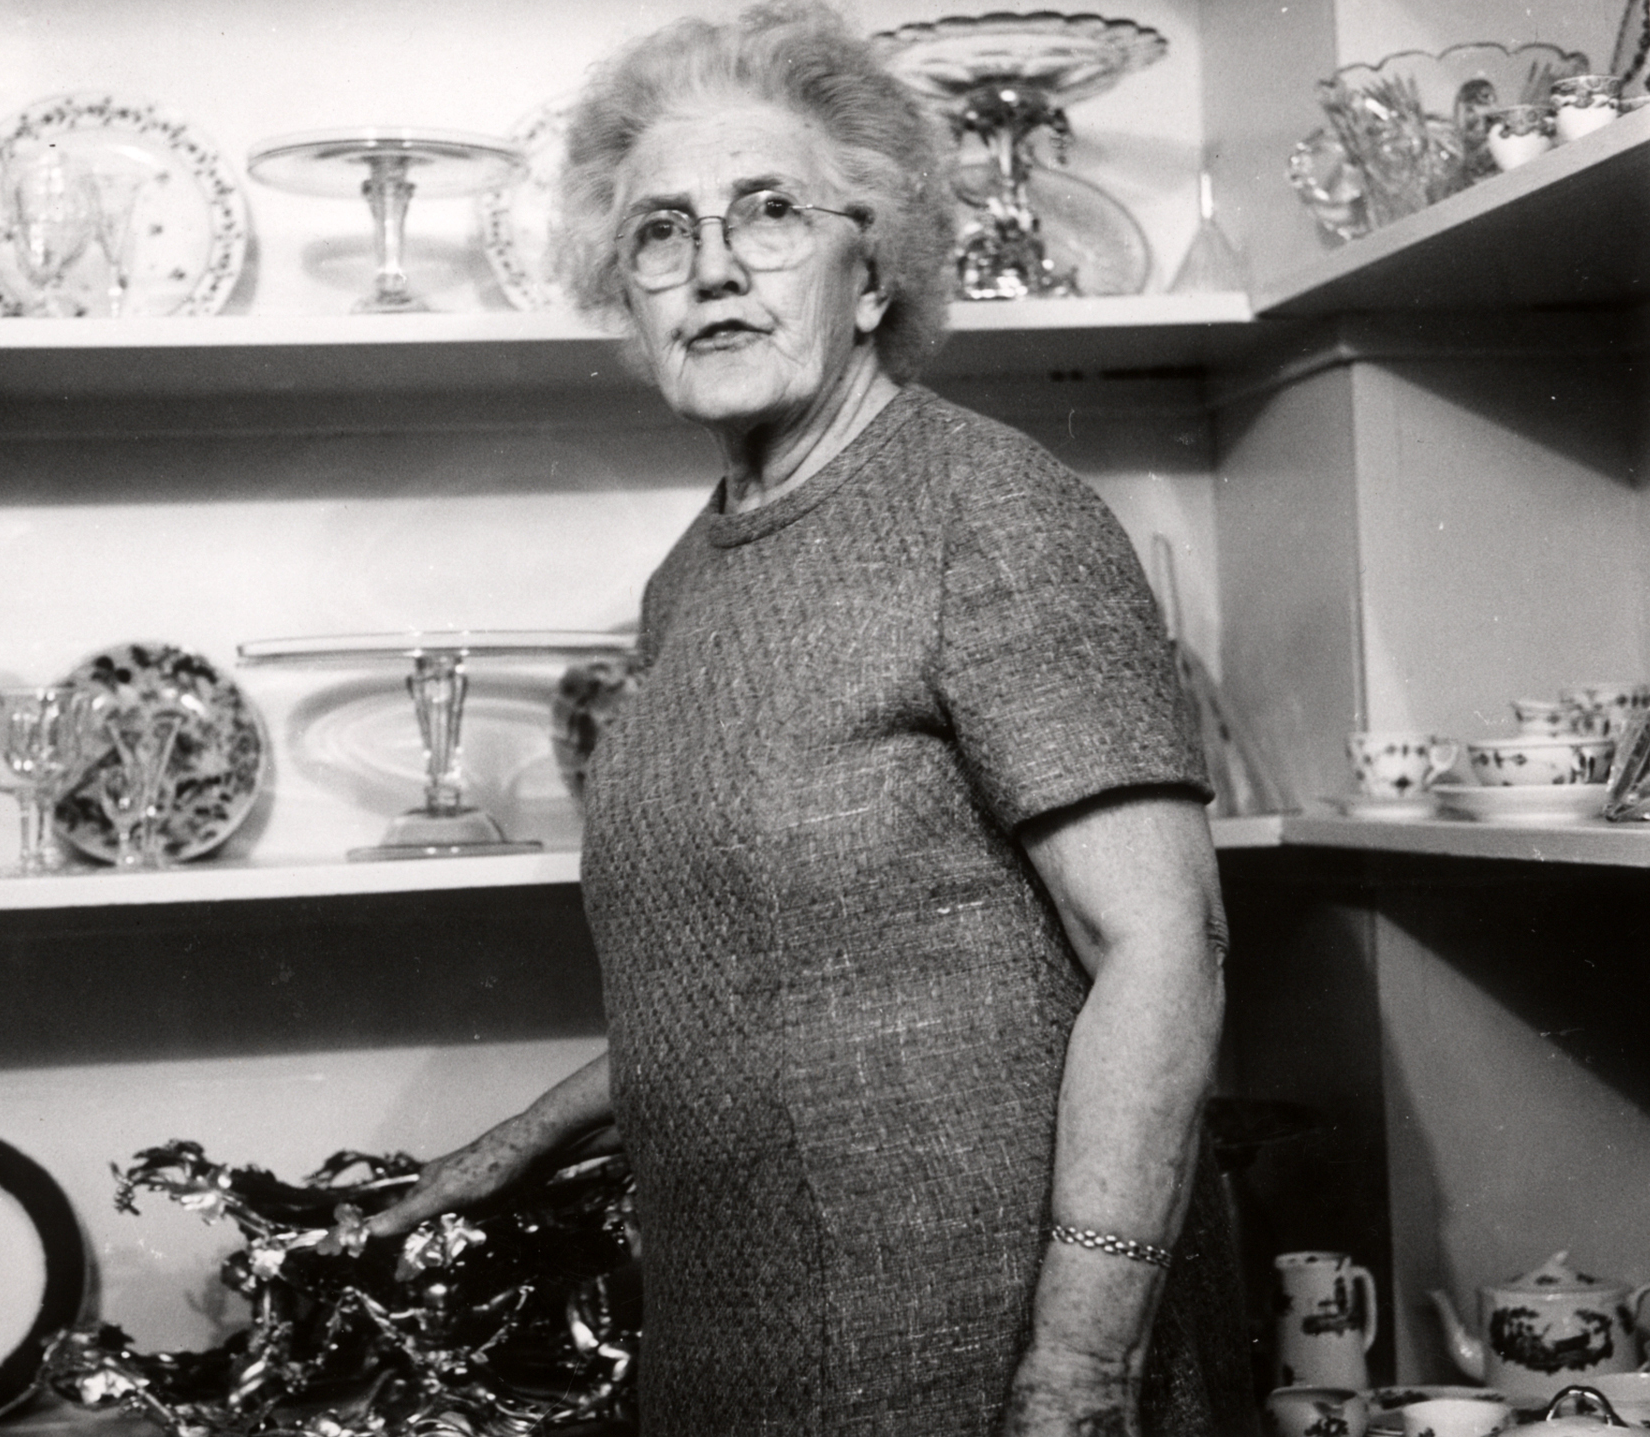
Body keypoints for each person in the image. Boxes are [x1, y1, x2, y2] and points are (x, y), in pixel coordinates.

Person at [367, 5, 1251, 1433]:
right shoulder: (691, 575)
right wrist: (524, 1139)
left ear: (872, 271)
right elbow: (783, 970)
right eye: (661, 232)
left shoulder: (987, 508)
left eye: (768, 214)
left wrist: (1079, 1379)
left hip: (980, 1356)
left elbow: (1166, 945)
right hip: (738, 1352)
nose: (712, 266)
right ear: (626, 293)